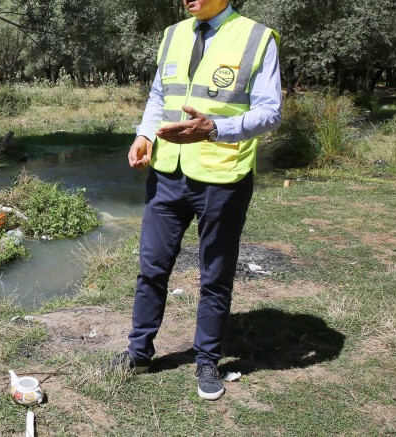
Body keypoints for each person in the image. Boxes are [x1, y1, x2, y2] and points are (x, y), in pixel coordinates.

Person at [107, 0, 282, 401]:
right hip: (167, 174)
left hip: (224, 176)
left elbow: (271, 113)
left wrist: (216, 128)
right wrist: (145, 134)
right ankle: (139, 353)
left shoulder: (257, 38)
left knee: (215, 275)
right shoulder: (173, 34)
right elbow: (158, 94)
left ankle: (207, 359)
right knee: (151, 266)